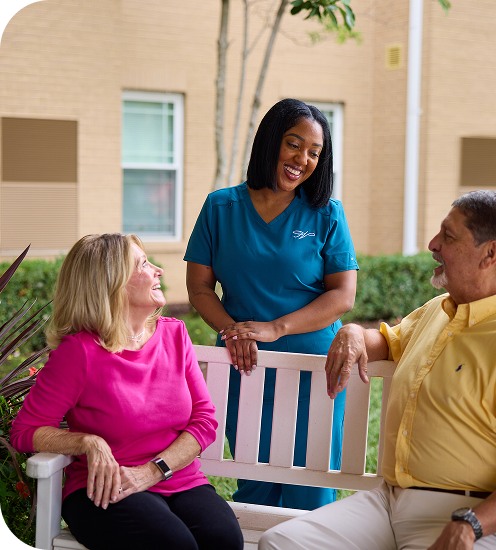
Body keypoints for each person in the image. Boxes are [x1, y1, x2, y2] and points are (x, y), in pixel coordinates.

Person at [259, 190, 496, 550]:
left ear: (490, 254)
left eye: (448, 236)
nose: (433, 244)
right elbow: (386, 341)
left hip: (467, 515)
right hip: (388, 502)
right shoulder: (439, 310)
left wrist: (470, 524)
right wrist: (351, 331)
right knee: (280, 543)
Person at [10, 234, 243, 550]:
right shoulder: (78, 353)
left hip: (177, 479)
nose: (158, 270)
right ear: (112, 284)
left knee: (224, 540)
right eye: (144, 264)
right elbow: (24, 431)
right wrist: (86, 441)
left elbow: (203, 422)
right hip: (105, 488)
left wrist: (152, 471)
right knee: (174, 544)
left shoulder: (175, 334)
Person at [184, 98, 358, 510]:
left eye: (315, 153)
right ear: (269, 142)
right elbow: (199, 288)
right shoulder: (220, 207)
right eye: (294, 145)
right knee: (254, 490)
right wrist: (233, 330)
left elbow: (342, 295)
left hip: (314, 371)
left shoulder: (326, 213)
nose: (303, 159)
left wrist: (275, 327)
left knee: (311, 493)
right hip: (246, 367)